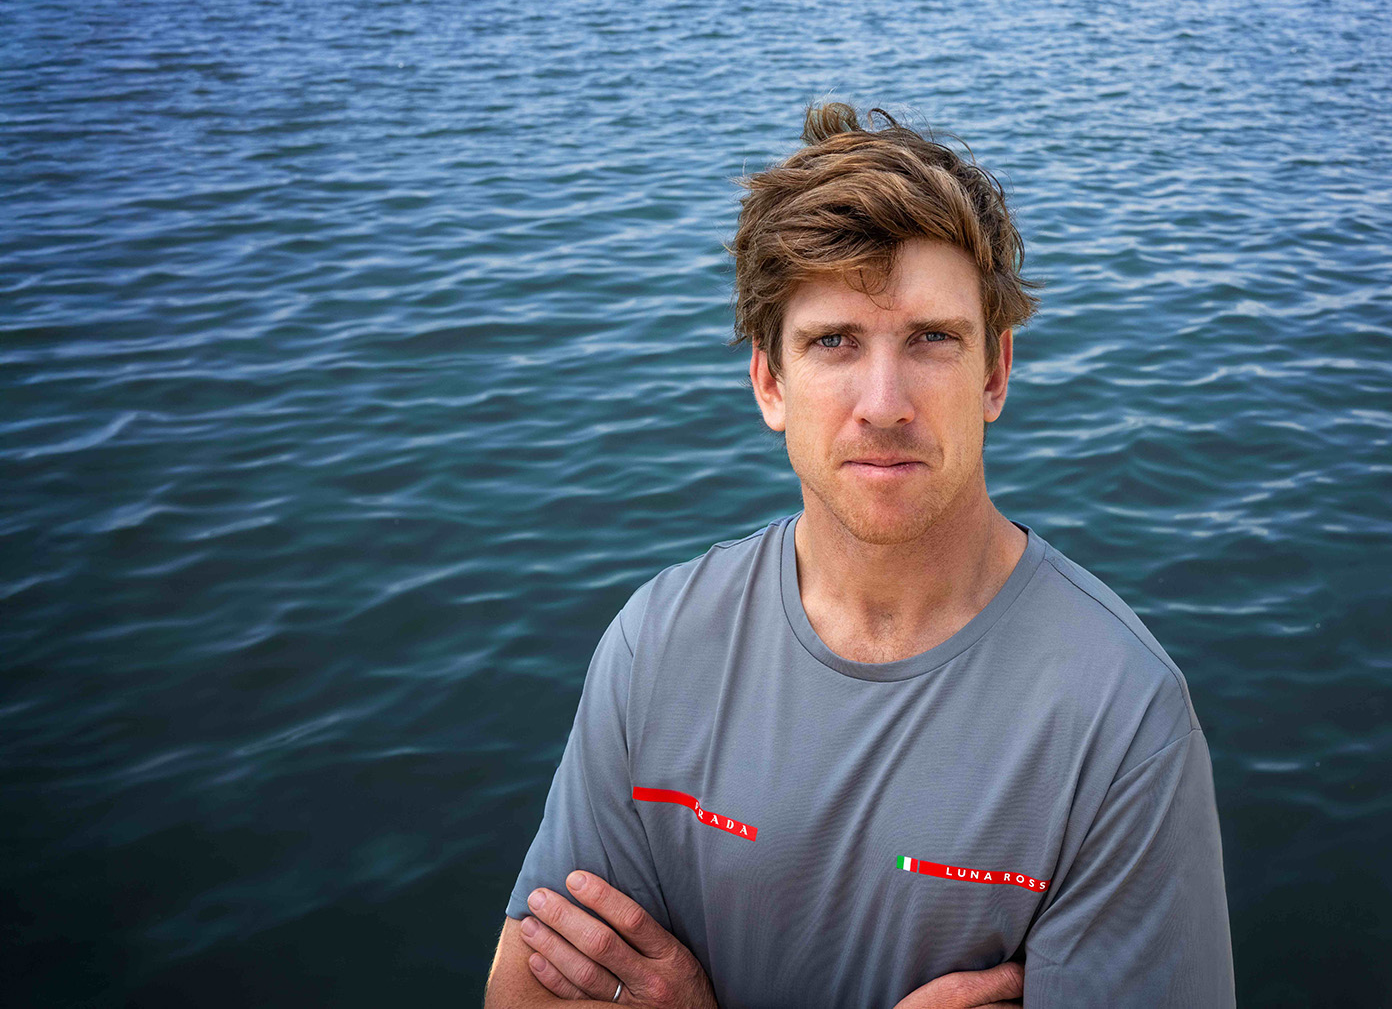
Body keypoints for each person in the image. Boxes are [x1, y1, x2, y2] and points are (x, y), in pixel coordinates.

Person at [483, 102, 1234, 1008]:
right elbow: (524, 990)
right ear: (770, 381)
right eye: (834, 341)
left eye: (931, 339)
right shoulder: (657, 648)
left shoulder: (1121, 718)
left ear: (995, 372)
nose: (884, 403)